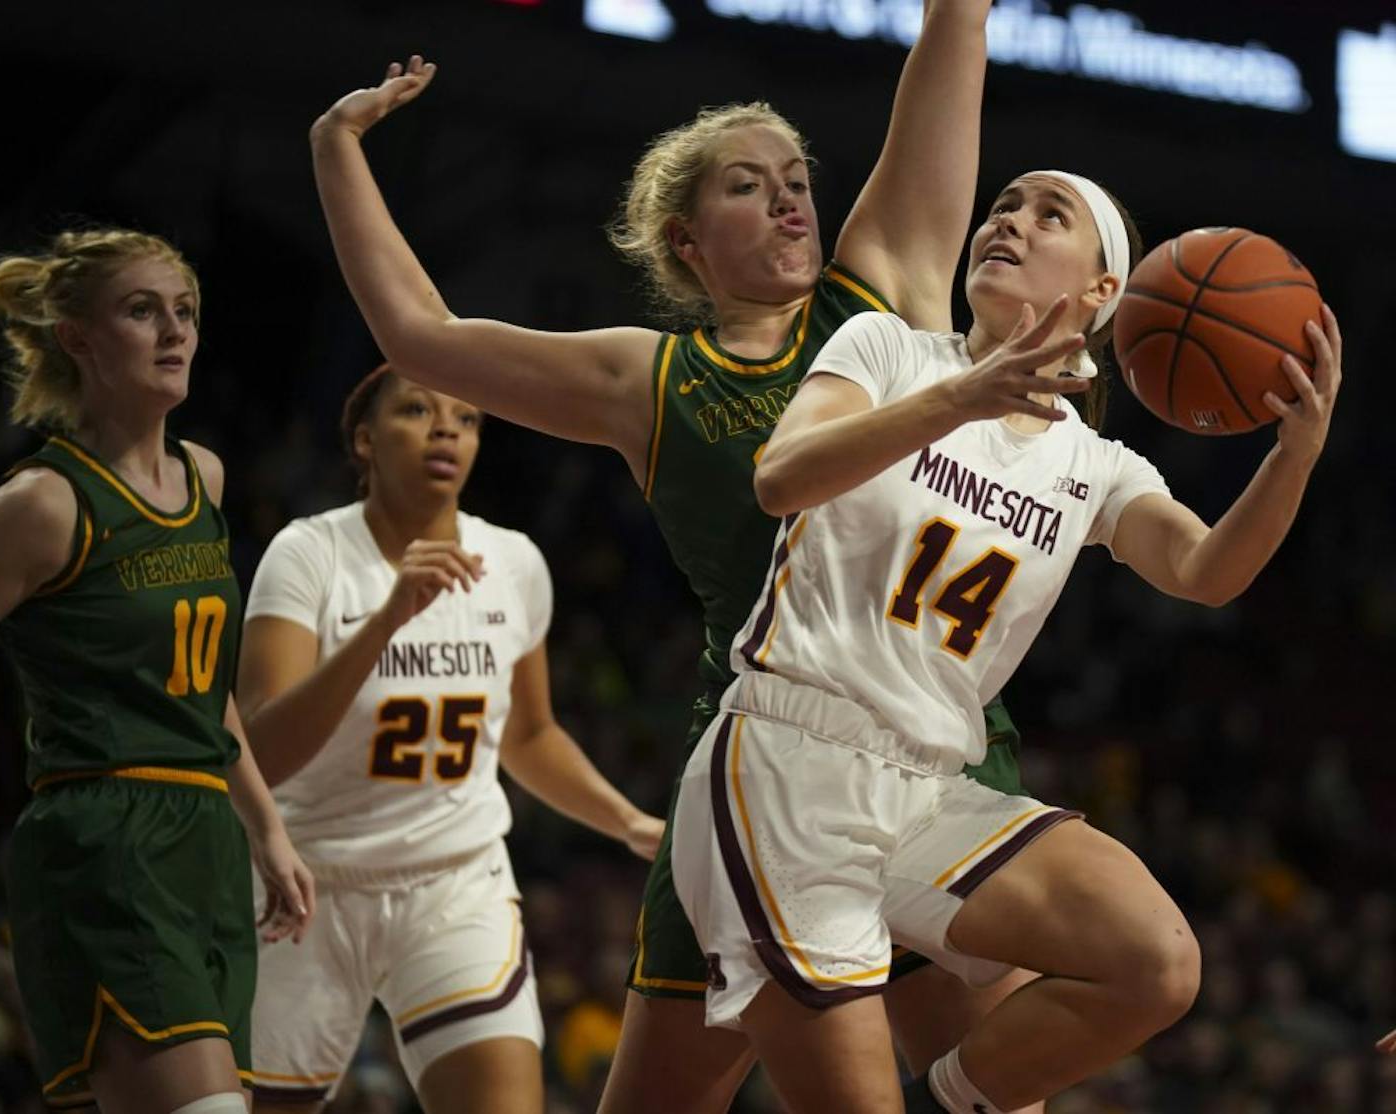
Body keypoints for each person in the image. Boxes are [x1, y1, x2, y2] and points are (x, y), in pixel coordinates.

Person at [305, 7, 1045, 1109]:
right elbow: (419, 333)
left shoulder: (879, 288)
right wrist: (335, 146)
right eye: (748, 184)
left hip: (932, 758)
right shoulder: (646, 378)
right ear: (685, 241)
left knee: (1000, 1090)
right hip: (760, 770)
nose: (790, 194)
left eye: (795, 175)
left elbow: (950, 38)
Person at [670, 166, 1343, 1113]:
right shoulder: (891, 351)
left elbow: (1207, 573)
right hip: (787, 762)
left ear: (1106, 290)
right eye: (1003, 208)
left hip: (930, 793)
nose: (1011, 223)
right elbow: (782, 477)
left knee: (1155, 962)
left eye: (1048, 214)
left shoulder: (1096, 462)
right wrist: (960, 399)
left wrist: (1294, 457)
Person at [236, 364, 665, 1114]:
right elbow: (261, 752)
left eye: (467, 418)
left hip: (455, 881)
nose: (447, 430)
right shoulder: (308, 555)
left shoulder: (515, 561)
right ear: (364, 441)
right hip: (307, 884)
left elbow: (528, 736)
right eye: (417, 410)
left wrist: (624, 820)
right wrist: (385, 620)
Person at [0, 228, 315, 1114]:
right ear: (78, 337)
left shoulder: (204, 477)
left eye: (186, 312)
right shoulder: (40, 506)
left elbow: (200, 696)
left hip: (204, 840)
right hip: (103, 836)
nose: (174, 332)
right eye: (142, 310)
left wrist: (267, 830)